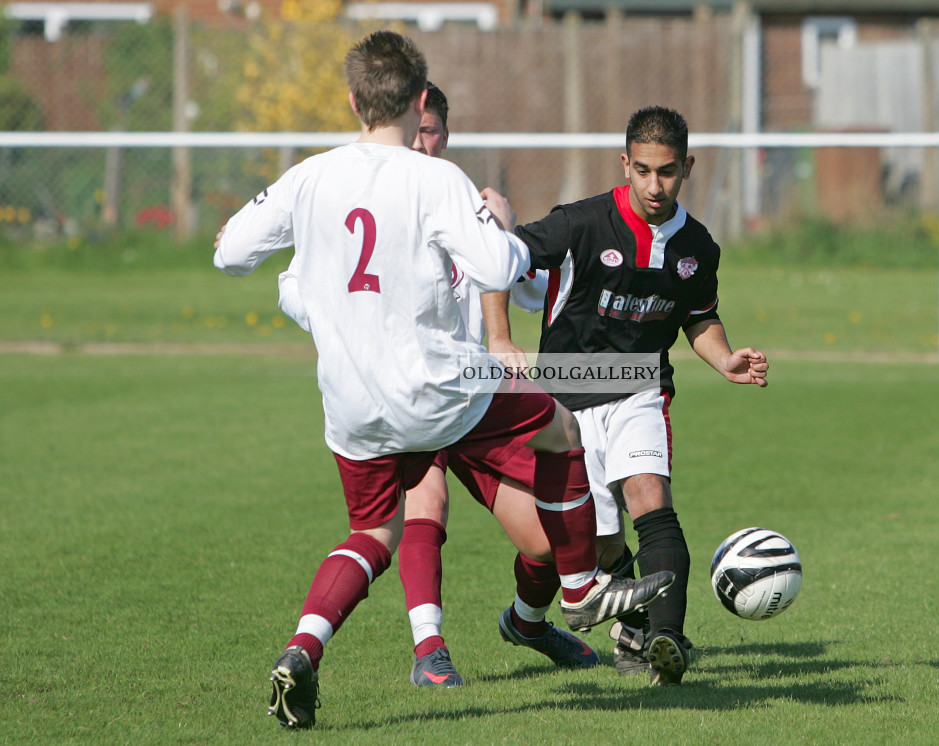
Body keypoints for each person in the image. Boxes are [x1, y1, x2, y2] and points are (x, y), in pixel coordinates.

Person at [213, 31, 673, 729]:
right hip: (438, 390)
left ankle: (301, 651)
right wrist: (509, 228)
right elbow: (497, 267)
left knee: (371, 532)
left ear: (352, 101)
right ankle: (579, 589)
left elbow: (230, 254)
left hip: (350, 407)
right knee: (561, 427)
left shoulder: (311, 176)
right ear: (420, 100)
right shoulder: (437, 179)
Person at [277, 83, 594, 689]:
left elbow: (518, 278)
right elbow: (298, 283)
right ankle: (431, 650)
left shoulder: (461, 199)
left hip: (473, 397)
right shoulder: (358, 197)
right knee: (428, 501)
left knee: (544, 542)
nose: (421, 142)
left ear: (445, 135)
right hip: (407, 395)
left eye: (432, 132)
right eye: (414, 130)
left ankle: (528, 623)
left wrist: (509, 245)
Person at [495, 105, 769, 686]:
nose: (653, 185)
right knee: (601, 541)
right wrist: (499, 336)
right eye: (642, 170)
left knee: (651, 499)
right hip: (564, 401)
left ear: (687, 167)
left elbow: (701, 317)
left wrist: (725, 359)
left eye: (666, 172)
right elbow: (499, 263)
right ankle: (637, 622)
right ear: (625, 164)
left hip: (639, 387)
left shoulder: (699, 246)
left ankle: (667, 639)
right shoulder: (580, 224)